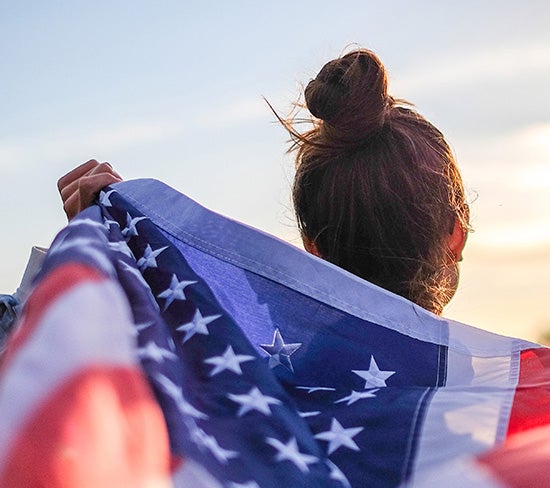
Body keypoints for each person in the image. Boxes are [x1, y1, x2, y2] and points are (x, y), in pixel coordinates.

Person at [57, 49, 471, 315]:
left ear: (314, 251)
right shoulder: (504, 407)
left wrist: (101, 265)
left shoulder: (249, 390)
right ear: (458, 232)